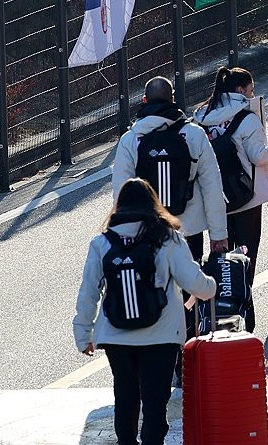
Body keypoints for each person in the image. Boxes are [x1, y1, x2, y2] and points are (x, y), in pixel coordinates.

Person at [73, 179, 217, 445]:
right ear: (153, 204)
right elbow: (194, 283)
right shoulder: (167, 238)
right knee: (155, 402)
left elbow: (88, 293)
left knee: (125, 397)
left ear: (119, 206)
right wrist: (211, 285)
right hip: (160, 336)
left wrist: (84, 334)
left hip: (117, 338)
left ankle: (126, 441)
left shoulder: (102, 243)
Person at [193, 66, 268, 290]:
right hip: (247, 195)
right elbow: (258, 157)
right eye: (250, 90)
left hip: (215, 198)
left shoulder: (202, 119)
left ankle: (222, 301)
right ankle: (243, 303)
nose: (251, 94)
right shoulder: (247, 119)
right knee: (247, 254)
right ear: (240, 90)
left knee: (221, 254)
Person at [112, 76, 229, 261]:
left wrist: (124, 235)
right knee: (189, 283)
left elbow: (121, 192)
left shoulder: (131, 140)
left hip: (148, 232)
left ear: (144, 101)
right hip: (190, 229)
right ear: (173, 99)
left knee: (157, 287)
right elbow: (212, 185)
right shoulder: (193, 134)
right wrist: (219, 233)